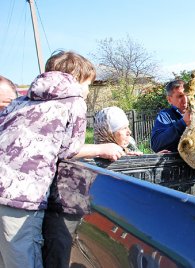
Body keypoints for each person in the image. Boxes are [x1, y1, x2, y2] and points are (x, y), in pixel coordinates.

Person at [0, 50, 123, 268]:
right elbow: (69, 148)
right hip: (22, 195)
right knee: (24, 257)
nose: (87, 91)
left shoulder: (22, 100)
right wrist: (103, 148)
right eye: (88, 84)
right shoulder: (73, 100)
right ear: (76, 79)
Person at [151, 79, 195, 152]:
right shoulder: (165, 116)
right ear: (169, 99)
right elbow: (156, 145)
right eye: (180, 96)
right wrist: (183, 123)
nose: (185, 100)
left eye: (187, 95)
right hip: (178, 162)